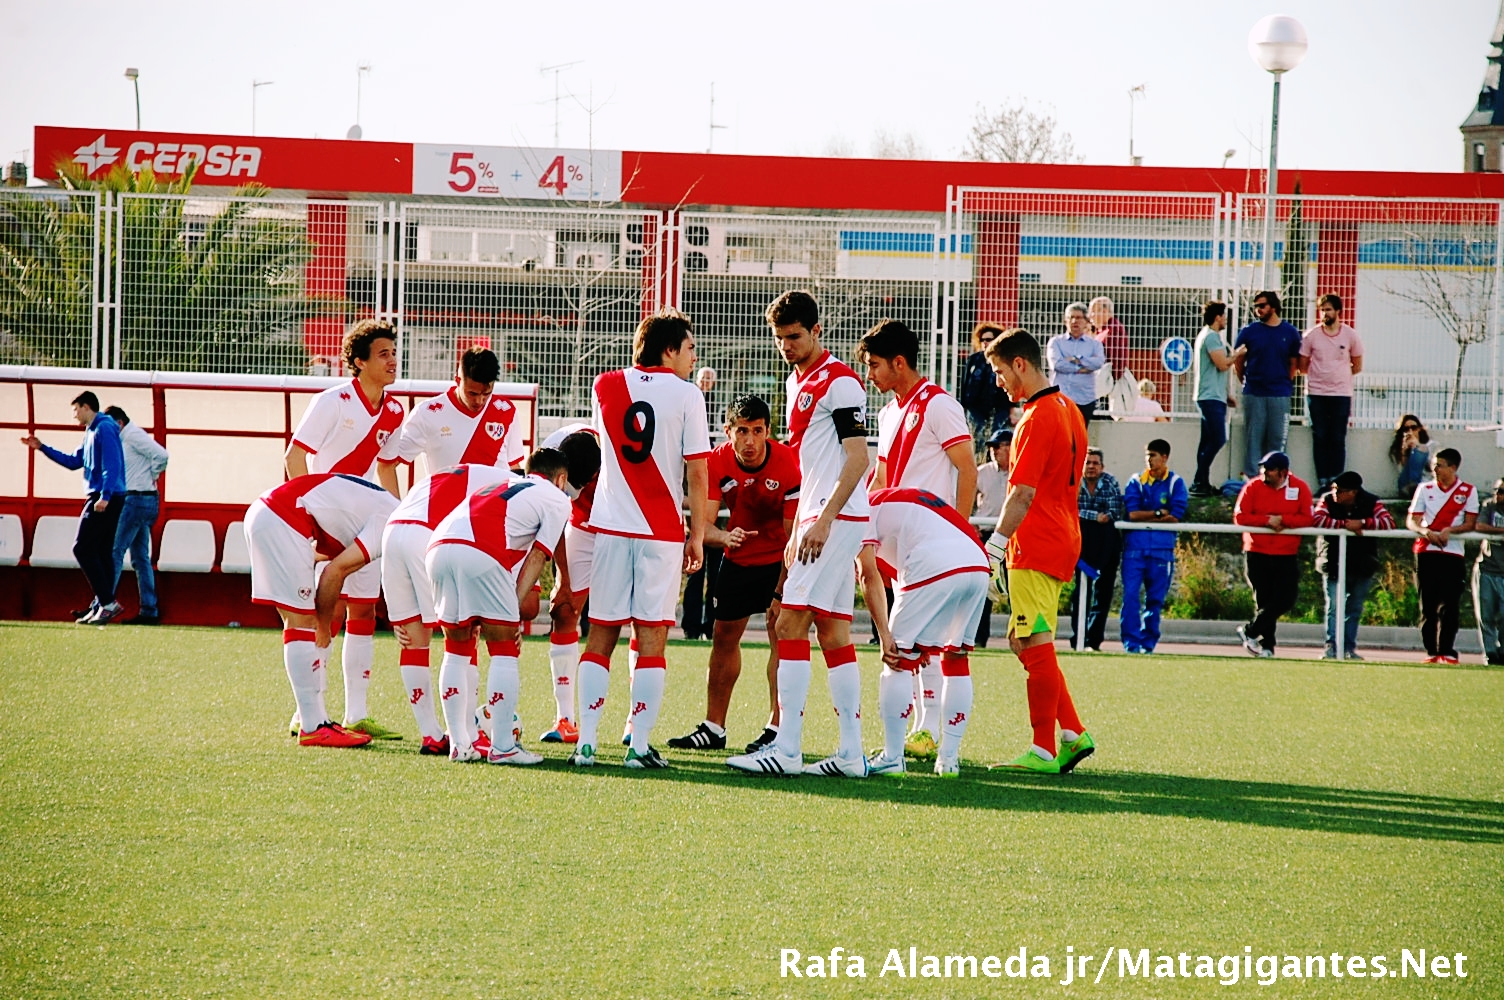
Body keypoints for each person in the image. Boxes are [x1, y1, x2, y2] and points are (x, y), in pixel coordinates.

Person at [726, 290, 895, 778]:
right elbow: (815, 463)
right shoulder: (796, 377)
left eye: (795, 336)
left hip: (833, 518)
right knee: (834, 631)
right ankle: (849, 754)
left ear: (817, 331)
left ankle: (788, 749)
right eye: (779, 338)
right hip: (822, 517)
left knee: (788, 624)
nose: (786, 345)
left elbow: (859, 458)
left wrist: (821, 521)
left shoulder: (839, 382)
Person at [572, 308, 712, 770]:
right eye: (689, 348)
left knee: (601, 636)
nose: (694, 357)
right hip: (660, 532)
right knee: (651, 636)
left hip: (610, 527)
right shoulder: (689, 395)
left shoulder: (604, 384)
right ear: (669, 349)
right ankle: (638, 746)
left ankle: (586, 743)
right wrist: (698, 532)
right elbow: (696, 468)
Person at [283, 319, 406, 741]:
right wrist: (306, 519)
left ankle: (356, 713)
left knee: (364, 611)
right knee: (324, 613)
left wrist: (398, 515)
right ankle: (308, 713)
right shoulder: (332, 401)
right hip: (325, 522)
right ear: (358, 362)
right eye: (383, 354)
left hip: (366, 521)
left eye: (394, 351)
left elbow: (386, 468)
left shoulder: (395, 409)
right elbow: (295, 457)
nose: (393, 360)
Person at [980, 327, 1094, 774]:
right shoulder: (1070, 409)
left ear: (1021, 365)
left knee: (1032, 638)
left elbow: (1022, 492)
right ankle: (1072, 732)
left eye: (999, 370)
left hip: (1037, 539)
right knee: (1022, 640)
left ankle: (1044, 748)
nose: (998, 380)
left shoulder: (1035, 416)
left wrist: (994, 545)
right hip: (1063, 534)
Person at [862, 317, 977, 755]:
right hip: (901, 541)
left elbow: (967, 469)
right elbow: (884, 475)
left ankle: (930, 730)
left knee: (938, 641)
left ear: (899, 362)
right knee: (909, 639)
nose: (869, 375)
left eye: (874, 365)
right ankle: (919, 732)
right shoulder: (889, 411)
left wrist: (960, 532)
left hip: (938, 543)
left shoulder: (939, 405)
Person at [668, 395, 799, 753]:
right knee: (724, 636)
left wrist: (780, 589)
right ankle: (714, 727)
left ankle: (777, 728)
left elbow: (794, 535)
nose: (750, 441)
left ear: (769, 432)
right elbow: (703, 527)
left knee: (782, 636)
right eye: (742, 431)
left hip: (780, 560)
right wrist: (726, 536)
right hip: (739, 558)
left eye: (758, 431)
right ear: (728, 432)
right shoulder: (716, 461)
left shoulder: (787, 463)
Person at [427, 450, 573, 763]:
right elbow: (537, 556)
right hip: (480, 548)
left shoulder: (503, 486)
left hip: (438, 547)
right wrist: (510, 607)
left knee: (455, 649)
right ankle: (503, 746)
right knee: (504, 648)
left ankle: (459, 745)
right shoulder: (558, 498)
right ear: (561, 479)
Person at [243, 472, 399, 747]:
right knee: (304, 624)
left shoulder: (388, 509)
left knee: (297, 622)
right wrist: (324, 627)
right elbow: (334, 572)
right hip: (283, 519)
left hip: (270, 513)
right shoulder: (390, 524)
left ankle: (312, 719)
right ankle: (314, 726)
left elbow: (328, 555)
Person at [381, 462, 520, 755]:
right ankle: (468, 733)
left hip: (393, 530)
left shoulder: (464, 470)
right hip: (429, 535)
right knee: (460, 635)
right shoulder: (516, 492)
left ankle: (431, 734)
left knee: (412, 638)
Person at [865, 487, 988, 777]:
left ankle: (893, 757)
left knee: (897, 660)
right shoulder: (904, 498)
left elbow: (867, 575)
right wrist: (923, 643)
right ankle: (949, 759)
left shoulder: (861, 509)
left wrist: (885, 636)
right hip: (977, 562)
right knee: (956, 659)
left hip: (936, 561)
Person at [21, 391, 127, 625]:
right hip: (106, 495)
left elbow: (113, 464)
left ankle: (107, 603)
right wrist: (42, 447)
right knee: (101, 552)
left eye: (76, 410)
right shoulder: (90, 431)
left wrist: (105, 496)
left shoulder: (104, 427)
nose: (74, 415)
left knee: (82, 548)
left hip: (105, 497)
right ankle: (103, 605)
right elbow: (73, 462)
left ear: (87, 407)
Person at [536, 426, 601, 743]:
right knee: (563, 610)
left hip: (621, 528)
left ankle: (634, 721)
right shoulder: (551, 450)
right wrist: (562, 577)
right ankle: (565, 718)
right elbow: (555, 517)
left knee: (634, 619)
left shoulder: (615, 448)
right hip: (580, 528)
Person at [394, 346, 525, 474]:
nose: (479, 401)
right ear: (457, 380)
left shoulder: (506, 411)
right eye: (472, 394)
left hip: (495, 496)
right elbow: (389, 464)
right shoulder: (427, 413)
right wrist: (393, 497)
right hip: (448, 495)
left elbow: (514, 466)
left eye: (486, 393)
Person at [1232, 451, 1313, 657]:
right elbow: (1240, 517)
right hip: (1257, 551)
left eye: (1269, 469)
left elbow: (1307, 518)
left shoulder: (1300, 487)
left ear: (1283, 472)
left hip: (1286, 553)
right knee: (1264, 600)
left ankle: (1250, 631)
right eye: (1263, 468)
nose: (1264, 473)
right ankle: (1267, 647)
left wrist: (1283, 520)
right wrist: (1267, 520)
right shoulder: (1253, 486)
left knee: (1286, 598)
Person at [1312, 471, 1396, 660]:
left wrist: (1364, 523)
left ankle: (1348, 647)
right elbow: (1317, 520)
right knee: (1334, 607)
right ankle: (1331, 646)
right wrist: (1345, 525)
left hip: (1362, 564)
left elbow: (1388, 523)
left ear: (1352, 492)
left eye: (1339, 490)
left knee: (1354, 608)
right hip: (1332, 563)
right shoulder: (1327, 500)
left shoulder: (1372, 502)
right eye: (1333, 489)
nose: (1335, 493)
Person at [1407, 449, 1479, 664]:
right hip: (1425, 552)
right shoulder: (1424, 488)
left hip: (1452, 553)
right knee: (1427, 604)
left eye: (1439, 465)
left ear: (1453, 467)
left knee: (1450, 604)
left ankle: (1447, 650)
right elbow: (1412, 520)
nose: (1435, 469)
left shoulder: (1468, 491)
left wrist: (1450, 531)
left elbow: (1470, 523)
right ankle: (1431, 651)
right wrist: (1424, 531)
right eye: (1434, 465)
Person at [102, 405, 169, 625]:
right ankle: (149, 610)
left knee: (115, 551)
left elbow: (162, 455)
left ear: (119, 423)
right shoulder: (128, 436)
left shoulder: (132, 435)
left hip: (136, 499)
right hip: (145, 499)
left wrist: (153, 473)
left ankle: (103, 605)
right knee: (140, 558)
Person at [1121, 439, 1188, 654]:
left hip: (1162, 550)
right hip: (1135, 549)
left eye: (1153, 455)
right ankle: (1131, 644)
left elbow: (1176, 515)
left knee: (1155, 600)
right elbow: (1132, 514)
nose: (1149, 460)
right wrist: (1159, 513)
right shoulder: (1136, 481)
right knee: (1130, 596)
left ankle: (1148, 644)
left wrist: (1148, 518)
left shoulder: (1175, 482)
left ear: (1165, 457)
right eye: (1147, 455)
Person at [1233, 291, 1302, 479]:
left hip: (1280, 393)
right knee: (1253, 438)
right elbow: (1238, 360)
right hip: (1254, 392)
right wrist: (1245, 380)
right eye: (1255, 306)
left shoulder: (1290, 332)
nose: (1258, 310)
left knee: (1278, 439)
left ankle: (1278, 476)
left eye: (1262, 306)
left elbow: (1294, 362)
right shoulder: (1249, 331)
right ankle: (1252, 477)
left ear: (1273, 306)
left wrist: (1284, 382)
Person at [1299, 294, 1364, 489]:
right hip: (1316, 394)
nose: (1325, 313)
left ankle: (1337, 481)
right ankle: (1323, 481)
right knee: (1320, 437)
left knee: (1337, 438)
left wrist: (1339, 376)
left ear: (1337, 312)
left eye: (1328, 309)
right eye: (1322, 310)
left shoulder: (1350, 335)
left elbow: (1357, 365)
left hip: (1341, 395)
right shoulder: (1311, 336)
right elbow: (1302, 366)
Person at [681, 366, 724, 641]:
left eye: (710, 379)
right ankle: (691, 625)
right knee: (695, 570)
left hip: (717, 515)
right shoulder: (690, 405)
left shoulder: (719, 411)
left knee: (716, 571)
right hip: (696, 512)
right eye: (703, 379)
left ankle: (710, 625)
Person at [1191, 300, 1243, 497]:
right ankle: (1199, 480)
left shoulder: (1207, 336)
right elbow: (1222, 364)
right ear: (1217, 317)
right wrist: (1237, 355)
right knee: (1218, 438)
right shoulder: (1211, 337)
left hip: (1212, 395)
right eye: (1224, 316)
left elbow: (1214, 371)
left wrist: (1225, 395)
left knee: (1207, 441)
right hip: (1209, 397)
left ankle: (1201, 481)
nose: (1226, 320)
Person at [1074, 447, 1124, 652]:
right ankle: (1077, 637)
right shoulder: (1075, 482)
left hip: (1106, 541)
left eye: (1095, 463)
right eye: (1087, 463)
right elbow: (1070, 508)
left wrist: (1093, 516)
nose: (1091, 467)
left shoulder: (1110, 482)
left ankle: (1093, 641)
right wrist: (1094, 516)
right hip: (1081, 541)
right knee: (1080, 592)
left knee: (1103, 593)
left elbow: (1114, 511)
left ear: (1102, 467)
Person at [972, 428, 1012, 648]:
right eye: (993, 447)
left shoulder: (1020, 472)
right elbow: (965, 494)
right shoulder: (982, 472)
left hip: (1012, 535)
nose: (994, 451)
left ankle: (1021, 638)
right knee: (983, 587)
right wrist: (971, 523)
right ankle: (979, 639)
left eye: (999, 446)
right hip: (985, 533)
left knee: (1015, 587)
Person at [1047, 302, 1106, 422]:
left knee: (1080, 437)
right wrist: (1081, 369)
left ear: (1086, 321)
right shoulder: (1056, 342)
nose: (1074, 321)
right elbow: (1057, 364)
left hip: (1085, 399)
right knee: (1061, 436)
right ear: (1065, 321)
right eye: (1071, 317)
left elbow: (1099, 362)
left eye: (1078, 317)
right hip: (1061, 398)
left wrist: (1076, 359)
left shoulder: (1095, 345)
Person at [960, 322, 1012, 457]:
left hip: (999, 405)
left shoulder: (1003, 359)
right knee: (978, 436)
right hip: (975, 406)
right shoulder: (974, 359)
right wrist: (963, 405)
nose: (985, 342)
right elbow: (965, 383)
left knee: (997, 436)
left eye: (989, 339)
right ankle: (979, 460)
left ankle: (993, 461)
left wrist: (1011, 407)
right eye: (982, 339)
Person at [1473, 478, 1504, 666]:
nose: (1498, 494)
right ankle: (1490, 653)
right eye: (1496, 490)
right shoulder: (1489, 506)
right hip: (1487, 568)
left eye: (1502, 491)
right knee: (1485, 615)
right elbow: (1480, 526)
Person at [1390, 414, 1434, 499]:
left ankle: (1415, 488)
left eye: (1413, 428)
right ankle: (1412, 488)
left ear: (1419, 429)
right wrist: (1403, 452)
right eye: (1406, 429)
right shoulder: (1397, 448)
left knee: (1419, 452)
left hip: (1425, 484)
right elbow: (1401, 472)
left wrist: (1418, 446)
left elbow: (1432, 467)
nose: (1410, 431)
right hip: (1405, 486)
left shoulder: (1430, 445)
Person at [1088, 296, 1129, 384]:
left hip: (1108, 383)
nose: (1090, 316)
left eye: (1093, 312)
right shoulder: (1103, 331)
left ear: (1104, 311)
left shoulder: (1112, 330)